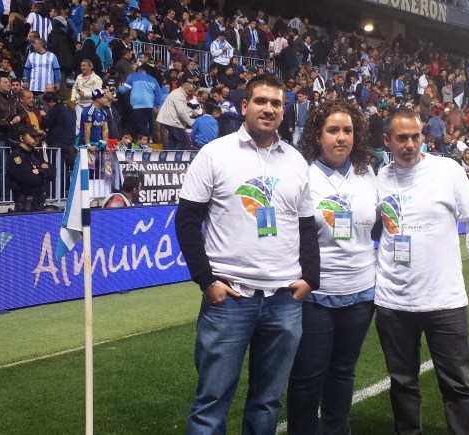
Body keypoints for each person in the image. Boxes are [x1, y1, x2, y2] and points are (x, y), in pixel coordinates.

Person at [175, 74, 320, 434]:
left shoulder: (296, 161)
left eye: (276, 103)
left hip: (284, 300)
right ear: (244, 106)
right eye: (261, 101)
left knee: (268, 402)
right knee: (211, 403)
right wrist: (206, 281)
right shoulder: (215, 154)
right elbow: (187, 221)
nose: (268, 109)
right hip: (230, 299)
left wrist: (310, 279)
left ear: (283, 112)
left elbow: (306, 227)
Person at [376, 108, 469, 434]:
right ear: (387, 140)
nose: (411, 144)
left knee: (457, 386)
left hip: (445, 302)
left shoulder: (448, 171)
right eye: (402, 138)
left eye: (416, 137)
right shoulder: (378, 180)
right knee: (402, 384)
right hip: (393, 303)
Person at [286, 98, 378, 434]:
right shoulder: (302, 175)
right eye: (333, 130)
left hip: (362, 293)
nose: (341, 137)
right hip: (315, 295)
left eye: (348, 131)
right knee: (307, 377)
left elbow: (378, 227)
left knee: (343, 372)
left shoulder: (368, 174)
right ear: (317, 135)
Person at [7, 124, 54, 212]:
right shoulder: (16, 156)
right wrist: (43, 172)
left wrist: (39, 171)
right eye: (32, 136)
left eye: (36, 136)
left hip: (39, 200)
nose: (36, 139)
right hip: (25, 203)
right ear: (22, 138)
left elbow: (52, 172)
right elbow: (29, 178)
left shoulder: (35, 153)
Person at [155, 82, 197, 150]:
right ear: (185, 88)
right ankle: (178, 159)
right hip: (173, 122)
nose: (191, 93)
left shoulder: (176, 93)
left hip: (169, 120)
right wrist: (191, 123)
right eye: (190, 91)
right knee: (184, 142)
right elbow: (181, 111)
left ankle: (169, 158)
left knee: (172, 142)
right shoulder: (179, 95)